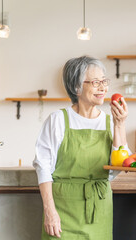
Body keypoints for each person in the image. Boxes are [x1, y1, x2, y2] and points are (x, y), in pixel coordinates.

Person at [33, 56, 129, 239]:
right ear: (76, 87)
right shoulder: (58, 120)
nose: (103, 88)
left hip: (99, 209)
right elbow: (43, 167)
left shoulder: (110, 122)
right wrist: (50, 211)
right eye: (95, 82)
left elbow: (120, 166)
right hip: (62, 211)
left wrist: (120, 125)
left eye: (104, 81)